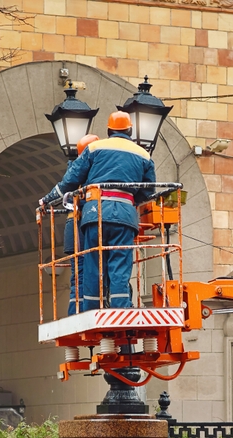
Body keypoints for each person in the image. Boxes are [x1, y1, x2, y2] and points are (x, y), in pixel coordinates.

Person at [40, 111, 156, 311]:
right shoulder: (144, 154)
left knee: (93, 262)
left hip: (95, 213)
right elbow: (148, 191)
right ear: (130, 130)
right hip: (125, 215)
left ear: (108, 130)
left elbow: (71, 180)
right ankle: (120, 307)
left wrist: (48, 199)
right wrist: (129, 199)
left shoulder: (94, 148)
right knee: (120, 263)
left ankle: (92, 309)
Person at [63, 133, 100, 315]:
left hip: (75, 226)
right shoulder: (87, 172)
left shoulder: (75, 170)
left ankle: (76, 310)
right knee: (85, 271)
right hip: (81, 225)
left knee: (78, 273)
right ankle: (80, 310)